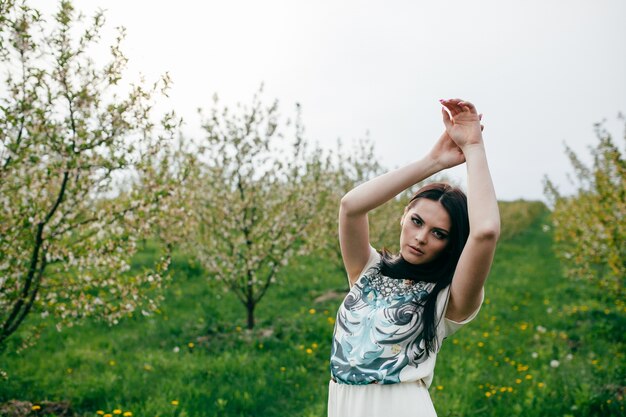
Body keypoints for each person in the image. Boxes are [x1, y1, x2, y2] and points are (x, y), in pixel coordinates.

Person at [328, 98, 500, 417]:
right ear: (404, 217)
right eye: (417, 222)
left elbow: (486, 231)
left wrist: (474, 146)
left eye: (439, 233)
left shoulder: (450, 297)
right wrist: (433, 161)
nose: (421, 237)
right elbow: (351, 206)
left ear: (452, 244)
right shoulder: (369, 270)